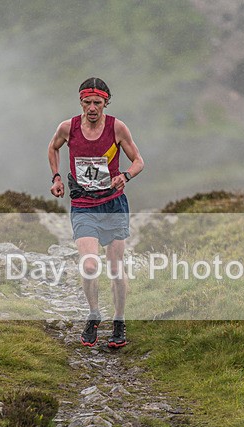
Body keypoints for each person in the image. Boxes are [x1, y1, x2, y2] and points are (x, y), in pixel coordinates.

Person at [48, 77, 144, 348]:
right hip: (83, 205)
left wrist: (125, 175)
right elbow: (53, 147)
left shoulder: (117, 128)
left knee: (115, 269)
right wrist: (56, 177)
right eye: (87, 102)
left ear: (106, 103)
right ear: (81, 102)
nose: (92, 108)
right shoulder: (68, 128)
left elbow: (138, 161)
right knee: (90, 265)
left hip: (113, 205)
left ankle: (119, 320)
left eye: (98, 103)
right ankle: (93, 314)